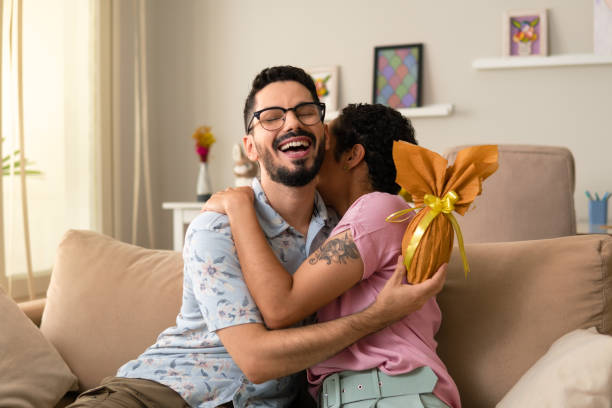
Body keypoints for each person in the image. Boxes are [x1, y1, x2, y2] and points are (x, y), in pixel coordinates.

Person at [66, 66, 446, 408]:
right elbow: (257, 359)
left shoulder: (344, 227)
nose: (292, 123)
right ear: (250, 147)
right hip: (160, 393)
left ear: (324, 137)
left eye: (306, 112)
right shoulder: (217, 226)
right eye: (272, 117)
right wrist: (374, 317)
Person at [203, 103, 460, 407]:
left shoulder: (380, 209)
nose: (310, 155)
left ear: (352, 155)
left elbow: (280, 306)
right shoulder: (347, 223)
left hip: (392, 393)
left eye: (323, 144)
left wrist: (240, 206)